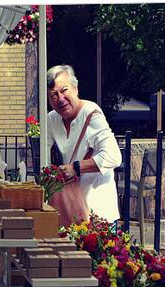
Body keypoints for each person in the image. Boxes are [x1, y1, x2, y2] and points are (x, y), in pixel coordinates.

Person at [45, 65, 122, 227]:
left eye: (64, 90)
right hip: (71, 211)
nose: (60, 98)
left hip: (99, 212)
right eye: (53, 95)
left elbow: (113, 156)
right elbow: (42, 156)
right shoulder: (52, 119)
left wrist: (76, 167)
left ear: (76, 88)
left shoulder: (91, 114)